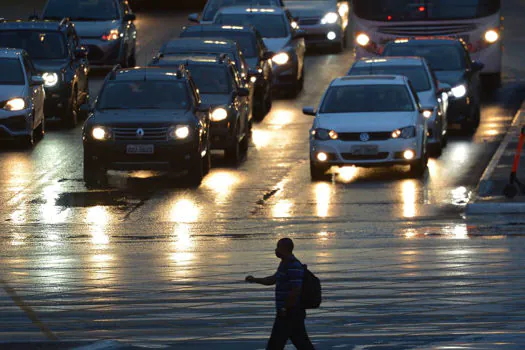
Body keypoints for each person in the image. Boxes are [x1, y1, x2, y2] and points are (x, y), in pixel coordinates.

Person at [245, 238, 315, 350]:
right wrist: (254, 280)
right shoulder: (284, 264)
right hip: (288, 312)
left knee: (275, 345)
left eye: (278, 247)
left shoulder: (293, 265)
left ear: (284, 248)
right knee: (301, 343)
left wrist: (284, 308)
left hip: (290, 312)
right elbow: (272, 280)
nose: (275, 250)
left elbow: (295, 290)